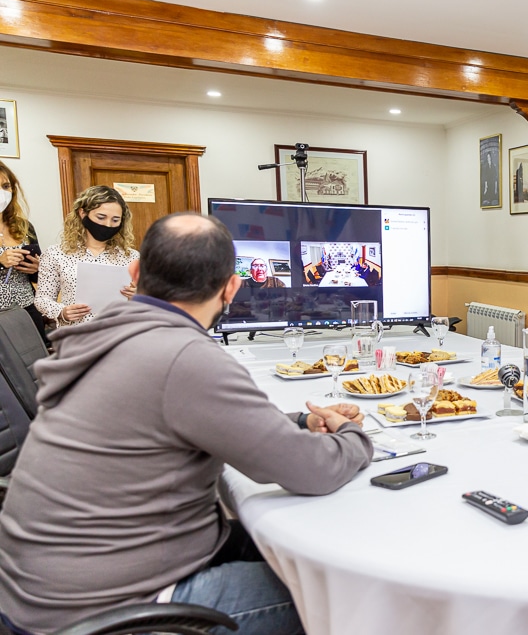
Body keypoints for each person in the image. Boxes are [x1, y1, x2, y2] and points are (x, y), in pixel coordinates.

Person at [0, 212, 374, 634]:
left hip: (39, 587)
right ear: (231, 287)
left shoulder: (104, 334)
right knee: (350, 592)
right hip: (103, 610)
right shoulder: (185, 357)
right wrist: (354, 436)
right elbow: (310, 471)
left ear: (136, 270)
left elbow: (181, 419)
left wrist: (302, 420)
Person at [34, 185, 138, 327]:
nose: (108, 225)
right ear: (83, 213)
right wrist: (62, 311)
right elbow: (42, 299)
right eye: (101, 217)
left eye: (115, 220)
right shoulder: (56, 254)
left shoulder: (131, 257)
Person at [0, 161, 46, 344]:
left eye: (5, 186)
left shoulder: (24, 226)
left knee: (35, 367)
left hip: (26, 310)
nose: (2, 193)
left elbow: (39, 278)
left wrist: (36, 268)